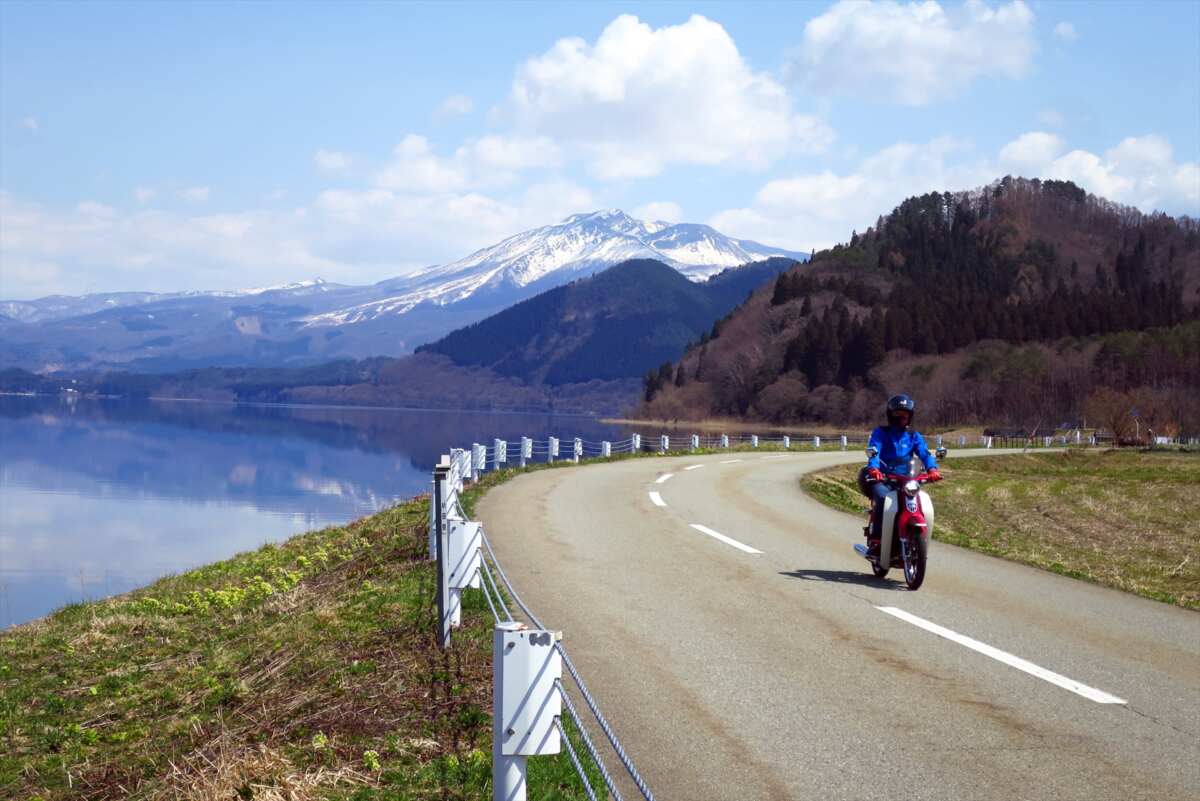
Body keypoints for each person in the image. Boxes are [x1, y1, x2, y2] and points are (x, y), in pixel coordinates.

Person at [861, 394, 942, 555]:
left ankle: (915, 540)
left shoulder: (914, 436)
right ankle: (877, 541)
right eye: (897, 414)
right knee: (884, 500)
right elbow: (875, 452)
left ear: (910, 416)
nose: (901, 417)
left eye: (905, 414)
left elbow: (924, 454)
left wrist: (932, 469)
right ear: (890, 415)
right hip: (884, 478)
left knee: (920, 501)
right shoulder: (881, 433)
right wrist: (874, 469)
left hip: (907, 479)